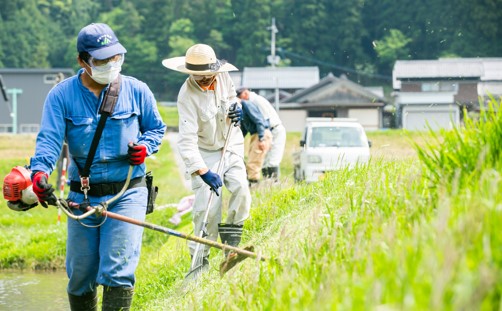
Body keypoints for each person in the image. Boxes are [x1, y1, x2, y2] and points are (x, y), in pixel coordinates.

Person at [29, 23, 166, 311]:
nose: (110, 65)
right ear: (82, 61)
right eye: (101, 60)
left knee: (118, 269)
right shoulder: (61, 96)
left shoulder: (137, 90)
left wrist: (145, 148)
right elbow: (49, 141)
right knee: (80, 275)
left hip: (127, 191)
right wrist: (39, 173)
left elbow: (156, 129)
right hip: (83, 196)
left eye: (115, 58)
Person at [162, 44, 251, 273]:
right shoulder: (186, 96)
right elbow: (187, 142)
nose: (207, 82)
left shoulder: (223, 78)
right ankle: (199, 263)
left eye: (209, 77)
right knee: (207, 210)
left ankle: (231, 247)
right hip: (204, 152)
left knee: (241, 188)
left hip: (230, 143)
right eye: (201, 78)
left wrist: (238, 108)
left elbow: (232, 98)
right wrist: (203, 171)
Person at [237, 87, 286, 182]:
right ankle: (267, 185)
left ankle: (274, 184)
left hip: (272, 129)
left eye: (240, 96)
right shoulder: (248, 103)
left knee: (272, 160)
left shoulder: (255, 100)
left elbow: (261, 120)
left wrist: (262, 138)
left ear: (245, 93)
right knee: (264, 161)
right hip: (265, 131)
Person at [239, 99, 272, 185]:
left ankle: (254, 189)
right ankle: (252, 187)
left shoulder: (246, 104)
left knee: (253, 164)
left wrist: (262, 139)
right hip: (255, 134)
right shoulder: (240, 109)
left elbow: (259, 120)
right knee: (251, 162)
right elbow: (244, 128)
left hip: (260, 133)